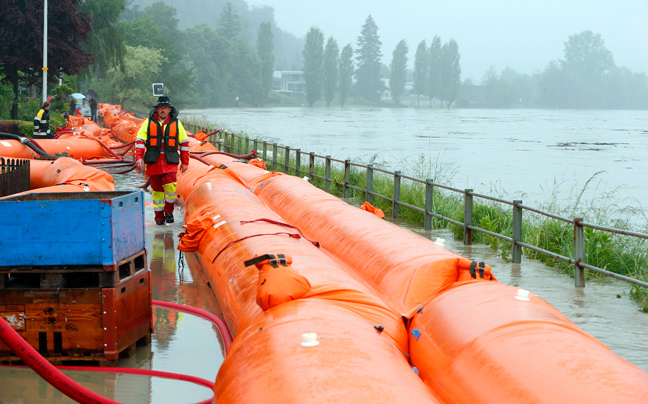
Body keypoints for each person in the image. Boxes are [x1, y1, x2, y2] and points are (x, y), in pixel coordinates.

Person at [135, 96, 190, 225]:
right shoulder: (148, 123)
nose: (163, 110)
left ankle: (169, 212)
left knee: (171, 186)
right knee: (157, 190)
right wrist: (139, 157)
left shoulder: (177, 124)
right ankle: (159, 218)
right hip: (153, 161)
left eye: (165, 108)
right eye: (161, 108)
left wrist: (185, 162)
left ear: (170, 110)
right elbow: (140, 141)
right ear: (157, 109)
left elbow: (184, 143)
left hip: (170, 161)